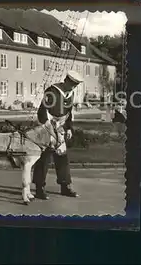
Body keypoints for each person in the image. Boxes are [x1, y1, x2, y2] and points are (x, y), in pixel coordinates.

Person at [32, 70, 84, 199]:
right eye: (71, 84)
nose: (73, 87)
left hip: (60, 128)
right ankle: (39, 187)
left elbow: (68, 113)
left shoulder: (71, 94)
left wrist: (69, 128)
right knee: (44, 157)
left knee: (62, 156)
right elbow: (42, 112)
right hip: (47, 127)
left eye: (75, 85)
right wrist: (48, 128)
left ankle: (65, 186)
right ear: (65, 80)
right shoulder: (52, 91)